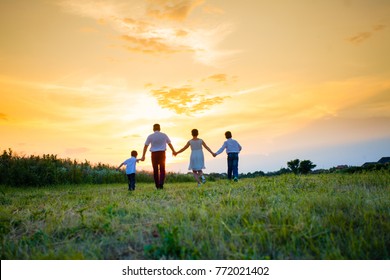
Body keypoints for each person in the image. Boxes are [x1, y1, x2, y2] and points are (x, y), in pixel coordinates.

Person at [140, 124, 176, 189]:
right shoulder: (164, 135)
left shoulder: (150, 136)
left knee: (155, 170)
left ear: (153, 129)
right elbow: (169, 143)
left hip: (154, 154)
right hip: (162, 153)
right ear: (160, 128)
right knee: (162, 169)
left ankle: (157, 185)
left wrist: (143, 156)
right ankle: (161, 183)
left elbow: (146, 146)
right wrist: (173, 151)